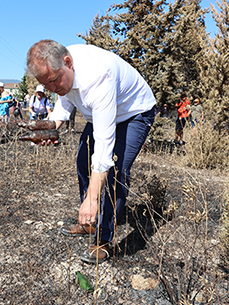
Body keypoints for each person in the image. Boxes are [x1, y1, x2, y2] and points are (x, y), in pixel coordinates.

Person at [26, 39, 156, 264]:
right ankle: (89, 221)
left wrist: (93, 197)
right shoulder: (59, 67)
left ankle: (103, 239)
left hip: (134, 113)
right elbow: (65, 100)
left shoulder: (98, 77)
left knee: (116, 173)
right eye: (47, 86)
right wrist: (51, 129)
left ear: (68, 62)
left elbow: (104, 147)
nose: (53, 89)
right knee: (83, 160)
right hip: (102, 112)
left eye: (55, 81)